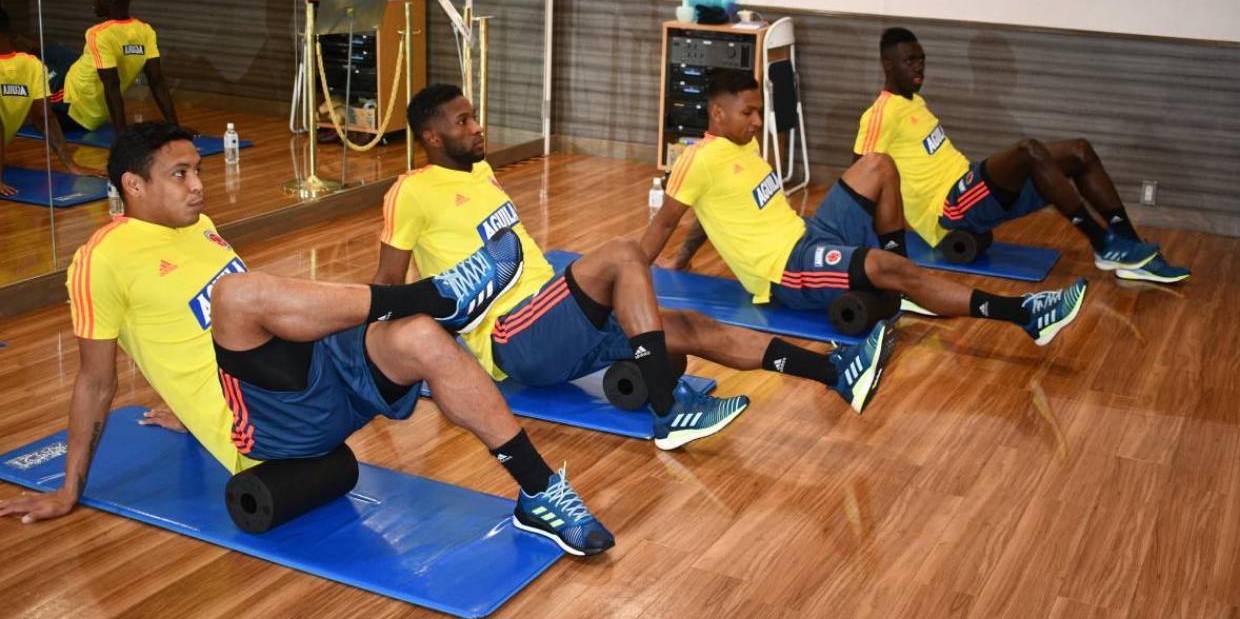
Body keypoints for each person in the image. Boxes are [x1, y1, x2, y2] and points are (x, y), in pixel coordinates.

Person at [0, 121, 615, 557]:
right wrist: (69, 488)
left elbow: (199, 332)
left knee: (422, 339)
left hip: (301, 378)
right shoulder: (101, 259)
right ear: (133, 186)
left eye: (197, 171)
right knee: (239, 296)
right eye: (180, 174)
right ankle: (432, 296)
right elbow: (96, 380)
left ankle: (541, 492)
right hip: (264, 428)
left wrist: (181, 409)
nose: (197, 186)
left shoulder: (199, 227)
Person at [374, 85, 893, 440]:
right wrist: (380, 363)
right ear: (432, 138)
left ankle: (835, 371)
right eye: (463, 121)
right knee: (622, 253)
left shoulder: (481, 171)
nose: (478, 127)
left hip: (554, 320)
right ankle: (669, 410)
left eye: (474, 116)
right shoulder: (410, 192)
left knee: (692, 325)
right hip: (513, 336)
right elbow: (388, 283)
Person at [643, 69, 1089, 347]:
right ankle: (1025, 313)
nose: (758, 122)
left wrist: (684, 258)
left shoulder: (746, 144)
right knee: (888, 269)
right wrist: (636, 273)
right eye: (748, 113)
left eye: (759, 112)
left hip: (809, 232)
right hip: (787, 271)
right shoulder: (697, 161)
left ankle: (898, 274)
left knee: (878, 164)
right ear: (717, 114)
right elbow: (665, 221)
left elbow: (713, 213)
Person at [855, 27, 1188, 283]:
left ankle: (1131, 250)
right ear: (888, 65)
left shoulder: (914, 102)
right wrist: (858, 239)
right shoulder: (880, 114)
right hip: (948, 210)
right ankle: (1103, 244)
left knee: (1079, 152)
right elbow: (860, 175)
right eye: (910, 61)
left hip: (969, 188)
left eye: (922, 59)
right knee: (1027, 150)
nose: (919, 68)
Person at [47, 0, 179, 137]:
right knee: (46, 48)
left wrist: (122, 134)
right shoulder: (145, 30)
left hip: (70, 99)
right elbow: (157, 81)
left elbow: (112, 85)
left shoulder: (99, 34)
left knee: (30, 73)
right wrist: (175, 126)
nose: (94, 0)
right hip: (76, 70)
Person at [0, 8, 101, 196]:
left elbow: (45, 119)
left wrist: (72, 165)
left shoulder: (32, 66)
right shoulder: (32, 65)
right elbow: (44, 119)